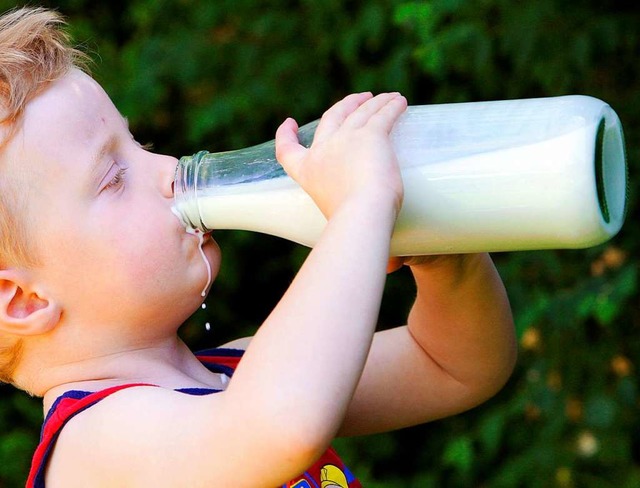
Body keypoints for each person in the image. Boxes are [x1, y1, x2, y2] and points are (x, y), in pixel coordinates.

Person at [0, 6, 517, 488]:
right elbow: (278, 424)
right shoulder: (94, 442)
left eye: (142, 146)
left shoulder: (236, 375)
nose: (171, 169)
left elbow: (453, 366)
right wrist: (361, 206)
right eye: (114, 177)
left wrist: (444, 260)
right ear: (25, 300)